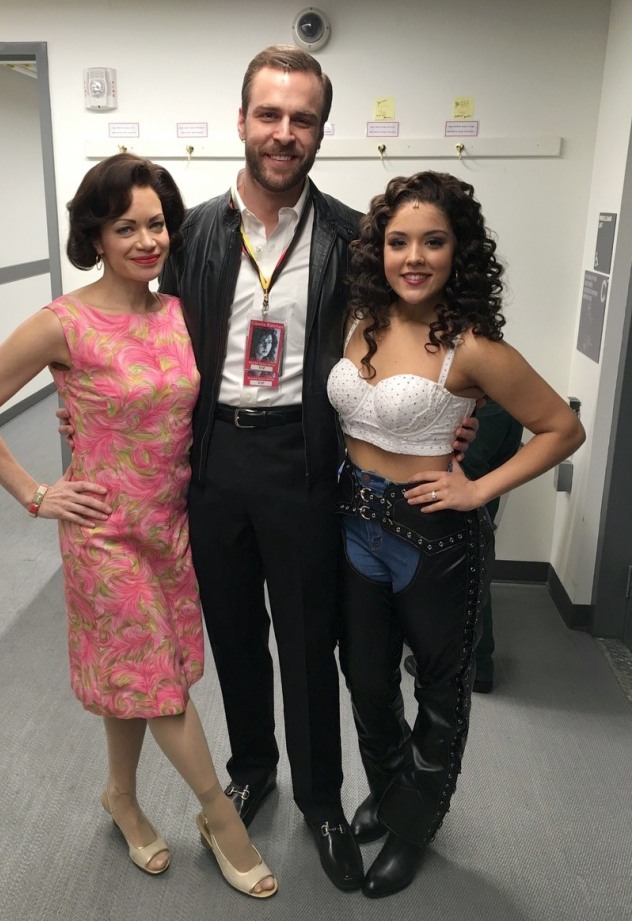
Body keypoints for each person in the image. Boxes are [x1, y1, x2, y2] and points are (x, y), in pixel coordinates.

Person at [59, 46, 477, 891]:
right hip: (210, 457)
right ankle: (254, 765)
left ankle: (321, 795)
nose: (285, 133)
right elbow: (136, 321)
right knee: (235, 632)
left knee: (306, 635)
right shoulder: (194, 231)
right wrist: (82, 399)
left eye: (303, 118)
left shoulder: (359, 236)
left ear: (321, 129)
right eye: (270, 115)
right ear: (242, 120)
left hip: (304, 457)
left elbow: (425, 327)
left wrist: (456, 422)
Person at [0, 153, 276, 899]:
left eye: (157, 223)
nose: (146, 240)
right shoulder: (64, 322)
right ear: (95, 234)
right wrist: (35, 492)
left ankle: (119, 794)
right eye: (126, 226)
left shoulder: (180, 311)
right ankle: (221, 817)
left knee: (134, 675)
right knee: (159, 684)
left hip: (169, 525)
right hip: (102, 533)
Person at [328, 170, 585, 898]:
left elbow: (562, 428)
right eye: (399, 240)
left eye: (433, 242)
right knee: (367, 678)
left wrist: (478, 486)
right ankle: (391, 790)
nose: (414, 257)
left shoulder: (471, 346)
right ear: (379, 248)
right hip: (353, 518)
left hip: (431, 533)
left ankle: (414, 827)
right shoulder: (357, 320)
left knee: (440, 689)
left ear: (457, 251)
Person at [404, 397, 524, 692]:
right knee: (471, 550)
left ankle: (476, 664)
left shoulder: (481, 382)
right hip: (496, 411)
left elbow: (462, 474)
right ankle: (470, 659)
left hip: (483, 413)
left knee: (462, 557)